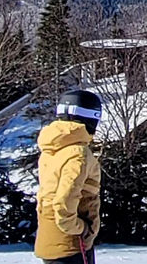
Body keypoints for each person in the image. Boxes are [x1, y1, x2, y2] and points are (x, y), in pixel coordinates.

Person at [36, 90, 104, 264]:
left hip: (48, 234)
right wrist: (81, 229)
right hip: (71, 241)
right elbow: (65, 200)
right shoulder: (78, 153)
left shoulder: (52, 148)